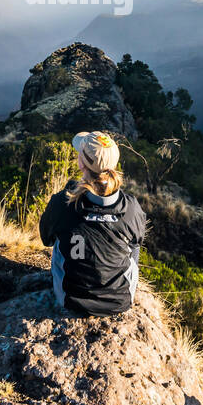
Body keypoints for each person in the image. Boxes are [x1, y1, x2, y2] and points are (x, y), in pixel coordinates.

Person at [38, 130, 146, 316]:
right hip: (119, 302)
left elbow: (46, 240)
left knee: (58, 239)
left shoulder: (63, 203)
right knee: (133, 245)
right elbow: (137, 242)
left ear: (81, 163)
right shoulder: (131, 208)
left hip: (71, 299)